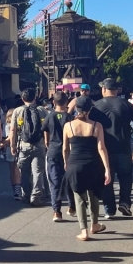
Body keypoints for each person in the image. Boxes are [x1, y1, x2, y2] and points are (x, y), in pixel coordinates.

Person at [92, 78, 133, 218]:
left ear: (104, 89)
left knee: (107, 179)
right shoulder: (126, 104)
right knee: (126, 176)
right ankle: (125, 203)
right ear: (117, 90)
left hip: (104, 148)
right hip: (124, 146)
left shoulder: (96, 106)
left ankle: (109, 210)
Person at [63, 96, 112, 241]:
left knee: (79, 197)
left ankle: (83, 231)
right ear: (90, 109)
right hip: (93, 164)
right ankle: (94, 224)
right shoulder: (97, 126)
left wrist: (66, 163)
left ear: (76, 108)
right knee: (94, 195)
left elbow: (65, 148)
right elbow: (101, 148)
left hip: (74, 164)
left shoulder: (68, 126)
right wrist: (107, 168)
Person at [10, 89, 48, 206]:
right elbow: (47, 128)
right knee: (38, 171)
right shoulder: (42, 110)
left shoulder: (17, 111)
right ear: (35, 98)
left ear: (22, 99)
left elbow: (13, 130)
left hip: (23, 145)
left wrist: (12, 145)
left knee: (24, 171)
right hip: (39, 144)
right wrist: (47, 142)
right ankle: (36, 195)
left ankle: (26, 194)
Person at [43, 92, 74, 222]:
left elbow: (46, 138)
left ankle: (57, 211)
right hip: (69, 153)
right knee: (70, 181)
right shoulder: (70, 118)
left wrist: (49, 145)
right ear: (66, 102)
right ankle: (72, 206)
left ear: (53, 102)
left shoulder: (49, 117)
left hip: (53, 151)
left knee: (55, 182)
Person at [3, 98, 23, 200]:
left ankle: (14, 189)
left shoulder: (6, 126)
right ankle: (18, 190)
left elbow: (6, 138)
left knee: (12, 170)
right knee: (17, 169)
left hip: (9, 148)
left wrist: (2, 144)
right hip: (18, 146)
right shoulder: (19, 125)